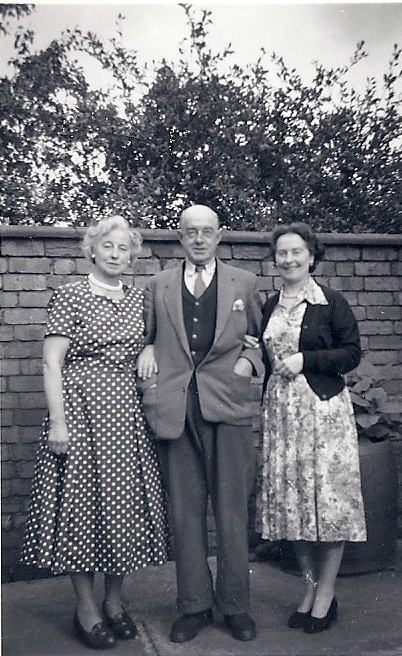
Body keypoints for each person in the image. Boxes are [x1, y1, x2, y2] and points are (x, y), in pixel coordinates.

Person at [21, 215, 169, 650]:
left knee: (121, 510)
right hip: (81, 414)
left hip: (125, 415)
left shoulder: (139, 299)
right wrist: (59, 421)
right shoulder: (70, 294)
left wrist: (148, 346)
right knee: (82, 510)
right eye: (109, 247)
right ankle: (85, 608)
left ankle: (114, 601)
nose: (117, 255)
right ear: (92, 250)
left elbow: (158, 338)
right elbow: (52, 363)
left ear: (133, 255)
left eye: (125, 249)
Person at [137, 204, 264, 643]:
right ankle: (193, 606)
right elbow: (147, 336)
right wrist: (147, 349)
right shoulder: (158, 285)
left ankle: (235, 607)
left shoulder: (244, 283)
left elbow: (262, 341)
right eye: (190, 232)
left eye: (206, 231)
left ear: (219, 236)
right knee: (184, 513)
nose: (198, 238)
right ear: (180, 237)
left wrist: (249, 362)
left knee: (231, 511)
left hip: (226, 406)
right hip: (175, 409)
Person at [254, 221, 367, 633]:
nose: (288, 259)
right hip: (281, 417)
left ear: (312, 256)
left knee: (328, 505)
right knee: (292, 508)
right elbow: (256, 352)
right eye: (281, 253)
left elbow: (351, 353)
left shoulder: (330, 302)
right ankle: (309, 587)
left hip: (323, 414)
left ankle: (325, 594)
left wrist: (306, 360)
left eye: (296, 252)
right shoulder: (269, 305)